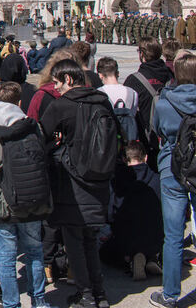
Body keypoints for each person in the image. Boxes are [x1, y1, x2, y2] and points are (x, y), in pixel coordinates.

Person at [39, 60, 115, 308]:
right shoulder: (102, 100)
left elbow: (41, 139)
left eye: (58, 82)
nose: (56, 88)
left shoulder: (62, 106)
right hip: (100, 180)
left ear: (68, 80)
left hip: (72, 182)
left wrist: (56, 144)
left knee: (74, 242)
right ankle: (99, 291)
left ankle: (86, 295)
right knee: (90, 239)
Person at [0, 82, 51, 308]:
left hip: (0, 199)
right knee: (35, 252)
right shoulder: (32, 126)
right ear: (19, 102)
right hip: (30, 197)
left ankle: (11, 303)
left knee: (6, 258)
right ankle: (39, 300)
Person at [150, 53, 196, 308]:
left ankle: (170, 294)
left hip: (172, 167)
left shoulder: (165, 102)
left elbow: (156, 129)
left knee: (174, 234)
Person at [103, 141, 162, 281]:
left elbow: (111, 215)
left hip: (127, 237)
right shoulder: (156, 179)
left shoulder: (118, 182)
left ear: (124, 159)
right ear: (146, 157)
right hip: (152, 236)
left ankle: (130, 259)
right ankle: (151, 257)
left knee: (104, 253)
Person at [125, 37, 173, 169]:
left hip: (148, 141)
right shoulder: (171, 76)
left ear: (142, 54)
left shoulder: (133, 80)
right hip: (170, 137)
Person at [96, 57, 140, 141]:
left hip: (108, 139)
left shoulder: (98, 93)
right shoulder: (132, 93)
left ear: (100, 75)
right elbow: (133, 115)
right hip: (129, 137)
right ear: (118, 73)